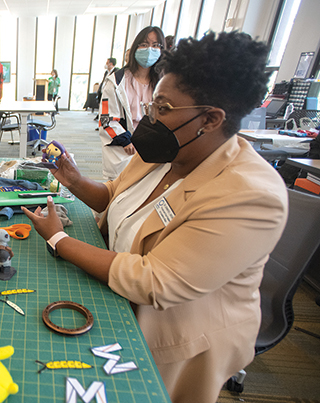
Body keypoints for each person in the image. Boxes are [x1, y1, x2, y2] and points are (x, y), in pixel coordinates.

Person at [22, 31, 288, 403]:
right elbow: (114, 198)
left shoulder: (250, 195)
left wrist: (59, 239)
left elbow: (155, 281)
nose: (150, 117)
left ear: (210, 119)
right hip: (119, 290)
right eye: (152, 104)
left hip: (173, 333)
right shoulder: (168, 151)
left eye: (162, 108)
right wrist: (74, 179)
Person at [99, 26, 165, 180]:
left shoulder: (164, 82)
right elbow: (106, 118)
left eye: (155, 45)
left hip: (154, 147)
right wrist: (125, 140)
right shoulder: (116, 81)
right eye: (144, 44)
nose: (149, 50)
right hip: (126, 148)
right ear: (135, 48)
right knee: (120, 191)